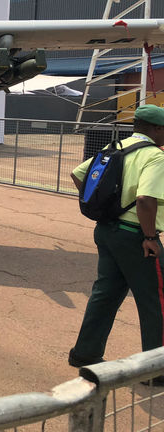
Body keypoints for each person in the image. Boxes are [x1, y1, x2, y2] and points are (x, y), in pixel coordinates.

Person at [68, 104, 164, 375]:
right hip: (136, 236)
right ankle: (155, 370)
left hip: (108, 230)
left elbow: (78, 175)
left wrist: (106, 206)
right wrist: (149, 237)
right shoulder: (154, 157)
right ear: (156, 129)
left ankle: (85, 354)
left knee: (105, 294)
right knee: (156, 300)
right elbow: (145, 199)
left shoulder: (116, 148)